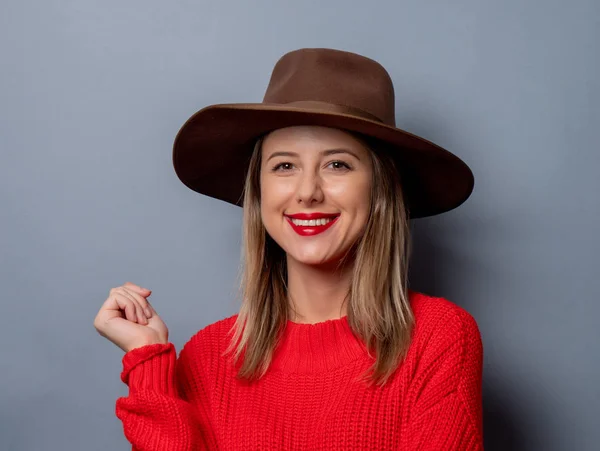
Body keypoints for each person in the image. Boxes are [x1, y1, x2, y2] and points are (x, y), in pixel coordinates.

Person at [93, 47, 484, 450]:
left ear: (380, 189)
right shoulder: (206, 357)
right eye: (284, 166)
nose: (308, 192)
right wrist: (148, 360)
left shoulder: (439, 337)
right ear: (259, 193)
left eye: (338, 165)